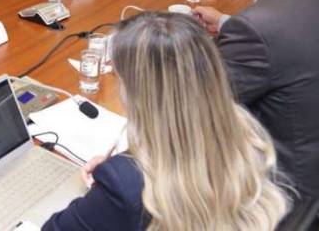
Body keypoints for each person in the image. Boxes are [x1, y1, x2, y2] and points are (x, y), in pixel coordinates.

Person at [44, 12, 289, 231]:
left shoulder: (126, 184)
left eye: (119, 77)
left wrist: (105, 191)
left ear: (140, 91)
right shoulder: (247, 134)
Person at [194, 0, 319, 198]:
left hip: (286, 184)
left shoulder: (255, 28)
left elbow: (199, 106)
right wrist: (226, 23)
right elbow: (287, 38)